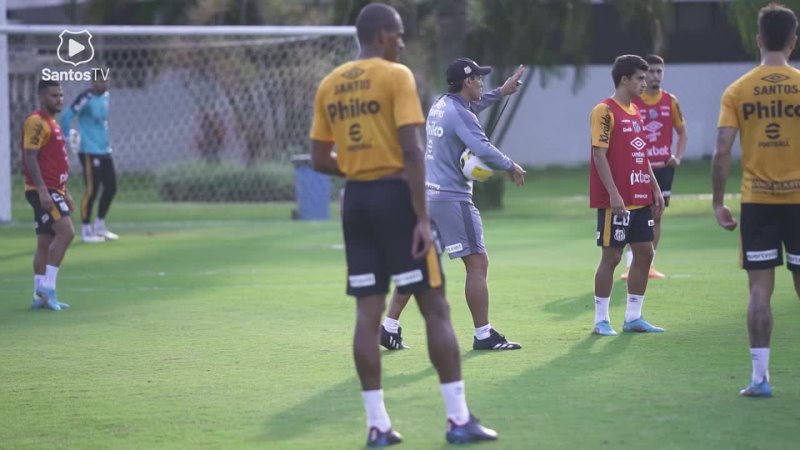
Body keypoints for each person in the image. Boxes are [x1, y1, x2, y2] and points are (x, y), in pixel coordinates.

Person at [309, 3, 497, 446]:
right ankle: (457, 419)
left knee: (367, 312)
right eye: (397, 34)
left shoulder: (330, 83)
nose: (401, 42)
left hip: (355, 201)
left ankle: (377, 425)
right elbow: (412, 152)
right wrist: (419, 213)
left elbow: (319, 158)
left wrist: (360, 169)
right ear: (379, 35)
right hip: (397, 197)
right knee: (436, 307)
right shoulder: (397, 76)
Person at [379, 58, 526, 352]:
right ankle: (483, 334)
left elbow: (473, 105)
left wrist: (501, 91)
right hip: (452, 199)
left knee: (419, 264)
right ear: (467, 81)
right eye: (479, 79)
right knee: (477, 262)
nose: (482, 83)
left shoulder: (441, 104)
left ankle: (388, 326)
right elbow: (482, 147)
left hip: (427, 197)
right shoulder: (462, 115)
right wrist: (510, 165)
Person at [712, 2, 800, 398]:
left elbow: (722, 150)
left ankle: (761, 378)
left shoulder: (738, 89)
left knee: (759, 291)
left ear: (759, 39)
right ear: (793, 41)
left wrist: (718, 202)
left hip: (758, 204)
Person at [589, 55, 666, 336]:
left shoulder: (635, 112)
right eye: (640, 78)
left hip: (640, 196)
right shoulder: (604, 111)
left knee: (645, 253)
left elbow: (641, 154)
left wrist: (654, 188)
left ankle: (633, 317)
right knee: (611, 257)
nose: (644, 83)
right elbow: (599, 154)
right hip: (616, 202)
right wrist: (614, 194)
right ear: (624, 79)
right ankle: (601, 321)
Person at [621, 54, 688, 280]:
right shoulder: (633, 101)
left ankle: (648, 265)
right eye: (651, 71)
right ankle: (631, 266)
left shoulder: (671, 101)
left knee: (656, 215)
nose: (655, 76)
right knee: (636, 214)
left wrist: (677, 157)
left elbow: (682, 133)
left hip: (662, 169)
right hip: (638, 169)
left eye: (659, 71)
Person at [22, 79, 75, 311]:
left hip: (55, 190)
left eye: (61, 95)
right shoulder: (36, 121)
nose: (59, 99)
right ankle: (48, 288)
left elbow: (54, 162)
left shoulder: (52, 123)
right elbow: (30, 156)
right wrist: (44, 191)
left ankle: (38, 295)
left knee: (45, 242)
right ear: (42, 97)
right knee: (66, 232)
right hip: (44, 191)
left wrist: (67, 192)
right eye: (54, 96)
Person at [60, 77, 118, 243]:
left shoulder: (106, 96)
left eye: (106, 81)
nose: (104, 84)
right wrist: (66, 137)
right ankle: (86, 230)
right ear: (93, 82)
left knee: (111, 188)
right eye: (100, 81)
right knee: (92, 189)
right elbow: (66, 116)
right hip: (88, 150)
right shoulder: (85, 97)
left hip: (105, 150)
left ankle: (99, 225)